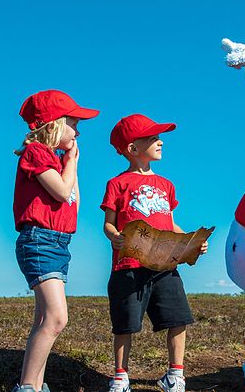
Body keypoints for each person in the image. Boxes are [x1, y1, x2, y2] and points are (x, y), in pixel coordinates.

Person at [100, 114, 208, 392]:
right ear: (132, 149)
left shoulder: (167, 185)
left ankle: (175, 375)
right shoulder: (117, 184)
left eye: (159, 137)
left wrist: (190, 242)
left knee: (178, 318)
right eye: (152, 138)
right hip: (129, 265)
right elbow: (109, 224)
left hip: (165, 265)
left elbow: (170, 223)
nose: (160, 142)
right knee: (125, 324)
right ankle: (121, 376)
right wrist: (116, 238)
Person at [12, 90, 99, 392]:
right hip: (41, 241)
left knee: (44, 321)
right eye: (74, 123)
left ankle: (35, 385)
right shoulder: (36, 153)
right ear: (53, 125)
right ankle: (26, 387)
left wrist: (68, 162)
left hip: (57, 243)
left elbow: (73, 202)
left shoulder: (53, 158)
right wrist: (72, 161)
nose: (78, 131)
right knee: (56, 319)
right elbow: (62, 192)